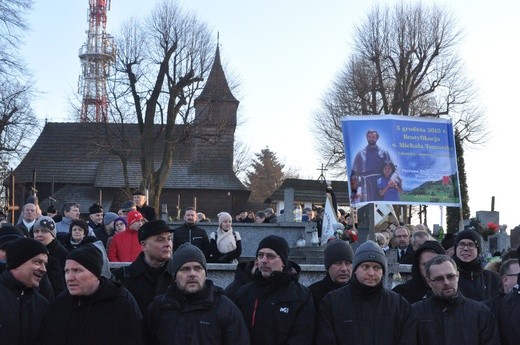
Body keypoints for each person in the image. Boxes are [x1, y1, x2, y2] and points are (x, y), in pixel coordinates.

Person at [143, 243, 250, 345]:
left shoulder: (224, 308)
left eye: (198, 268)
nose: (192, 274)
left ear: (205, 273)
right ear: (174, 276)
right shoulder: (159, 308)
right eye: (185, 269)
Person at [38, 244, 143, 345]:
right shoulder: (59, 305)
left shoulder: (120, 304)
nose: (69, 277)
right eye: (67, 271)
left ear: (95, 273)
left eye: (77, 270)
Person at [316, 240, 414, 344]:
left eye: (377, 268)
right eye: (365, 267)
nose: (371, 273)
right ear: (355, 270)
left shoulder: (399, 305)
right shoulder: (332, 302)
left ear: (383, 272)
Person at [233, 235, 315, 345]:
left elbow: (302, 336)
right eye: (260, 255)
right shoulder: (243, 293)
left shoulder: (301, 296)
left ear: (283, 262)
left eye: (270, 256)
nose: (264, 260)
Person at [412, 254, 499, 344]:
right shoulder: (416, 312)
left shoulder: (480, 312)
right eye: (439, 279)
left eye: (450, 276)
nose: (446, 282)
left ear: (457, 276)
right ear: (429, 282)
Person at [112, 219, 175, 314]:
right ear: (144, 245)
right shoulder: (121, 277)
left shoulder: (179, 276)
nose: (167, 244)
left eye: (169, 238)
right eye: (160, 240)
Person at [0, 238, 50, 345]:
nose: (44, 269)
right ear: (18, 263)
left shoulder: (42, 305)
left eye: (45, 264)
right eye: (38, 262)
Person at [453, 229, 500, 301]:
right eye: (461, 244)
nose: (465, 248)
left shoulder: (492, 278)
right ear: (456, 248)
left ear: (478, 249)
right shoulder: (448, 277)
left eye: (470, 245)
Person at [309, 239, 354, 310]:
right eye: (338, 263)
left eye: (348, 263)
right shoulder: (313, 294)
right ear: (328, 266)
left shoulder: (359, 291)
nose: (344, 269)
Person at [351, 129, 393, 202]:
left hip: (380, 184)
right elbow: (354, 173)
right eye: (369, 137)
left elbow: (390, 170)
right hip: (365, 185)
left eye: (373, 137)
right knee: (367, 208)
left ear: (377, 138)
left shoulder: (384, 153)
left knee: (381, 208)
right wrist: (355, 190)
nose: (371, 139)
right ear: (367, 138)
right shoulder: (360, 154)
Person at [32, 216, 68, 296]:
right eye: (36, 231)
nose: (39, 234)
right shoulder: (33, 252)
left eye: (44, 231)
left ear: (53, 235)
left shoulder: (62, 254)